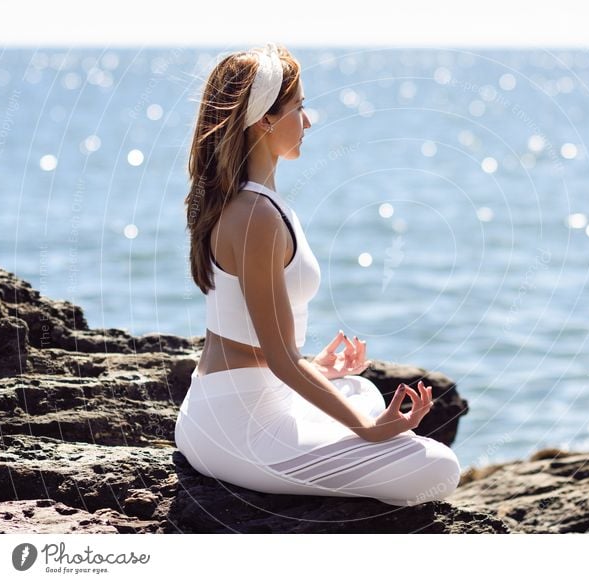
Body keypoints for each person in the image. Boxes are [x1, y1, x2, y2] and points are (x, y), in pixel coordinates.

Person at [175, 42, 461, 507]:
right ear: (266, 118)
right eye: (299, 107)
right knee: (437, 468)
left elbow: (258, 349)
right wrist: (369, 431)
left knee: (357, 387)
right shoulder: (256, 217)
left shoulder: (247, 202)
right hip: (236, 431)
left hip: (222, 407)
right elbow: (282, 358)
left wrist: (321, 369)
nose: (308, 120)